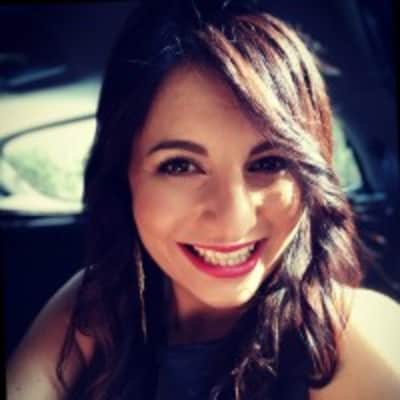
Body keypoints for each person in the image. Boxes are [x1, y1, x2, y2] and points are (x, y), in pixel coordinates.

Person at [6, 1, 400, 399]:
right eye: (180, 166)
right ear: (124, 177)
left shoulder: (354, 335)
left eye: (269, 162)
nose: (233, 220)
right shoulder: (99, 301)